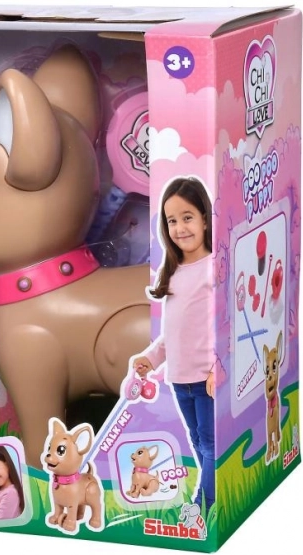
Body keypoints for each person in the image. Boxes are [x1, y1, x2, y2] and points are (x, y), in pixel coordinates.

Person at [132, 176, 216, 510]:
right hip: (180, 380)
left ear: (205, 219)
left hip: (207, 380)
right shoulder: (173, 271)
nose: (179, 228)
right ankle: (213, 493)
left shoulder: (215, 268)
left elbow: (227, 326)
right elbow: (174, 332)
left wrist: (218, 369)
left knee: (210, 443)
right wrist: (150, 358)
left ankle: (204, 504)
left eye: (187, 217)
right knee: (198, 441)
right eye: (171, 221)